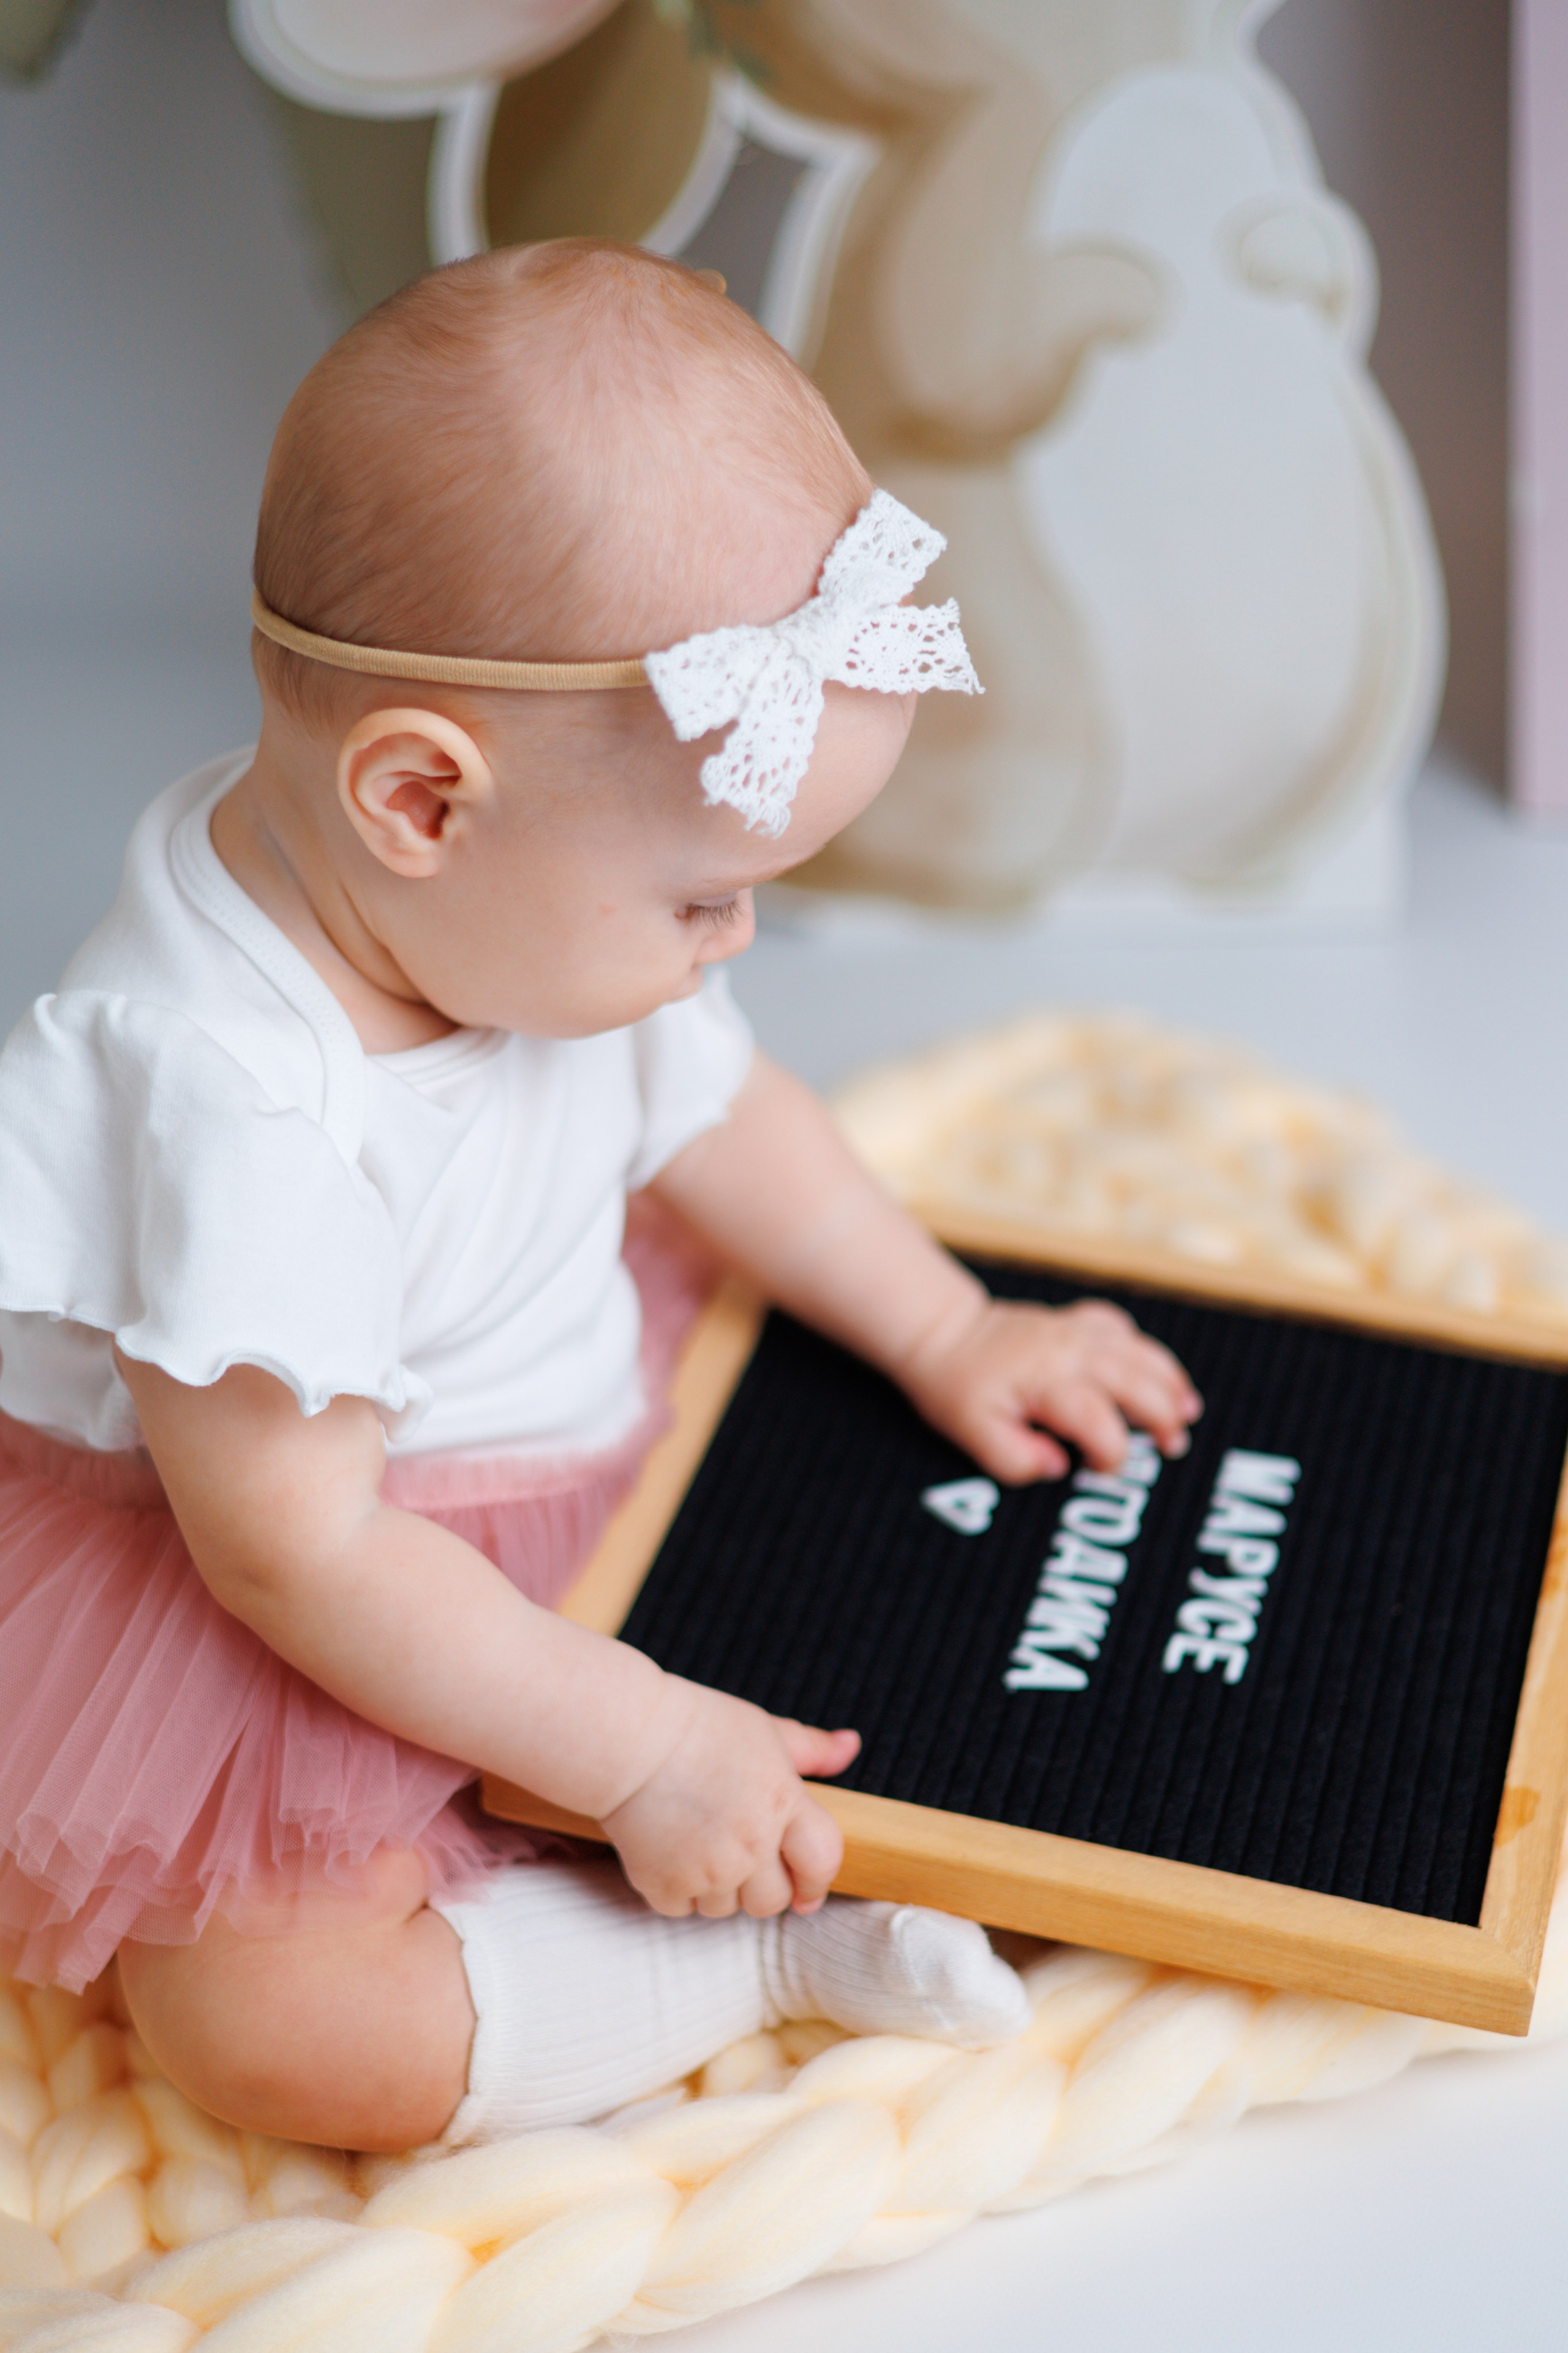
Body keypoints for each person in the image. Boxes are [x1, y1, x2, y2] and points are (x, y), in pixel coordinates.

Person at [0, 240, 1200, 2155]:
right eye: (705, 895)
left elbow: (729, 1121)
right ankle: (761, 1964)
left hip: (543, 1428)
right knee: (277, 2024)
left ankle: (691, 1840)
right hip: (311, 1562)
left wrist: (949, 1319)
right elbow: (299, 1557)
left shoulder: (480, 903)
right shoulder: (238, 1109)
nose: (733, 948)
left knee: (844, 1568)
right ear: (420, 798)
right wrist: (638, 1746)